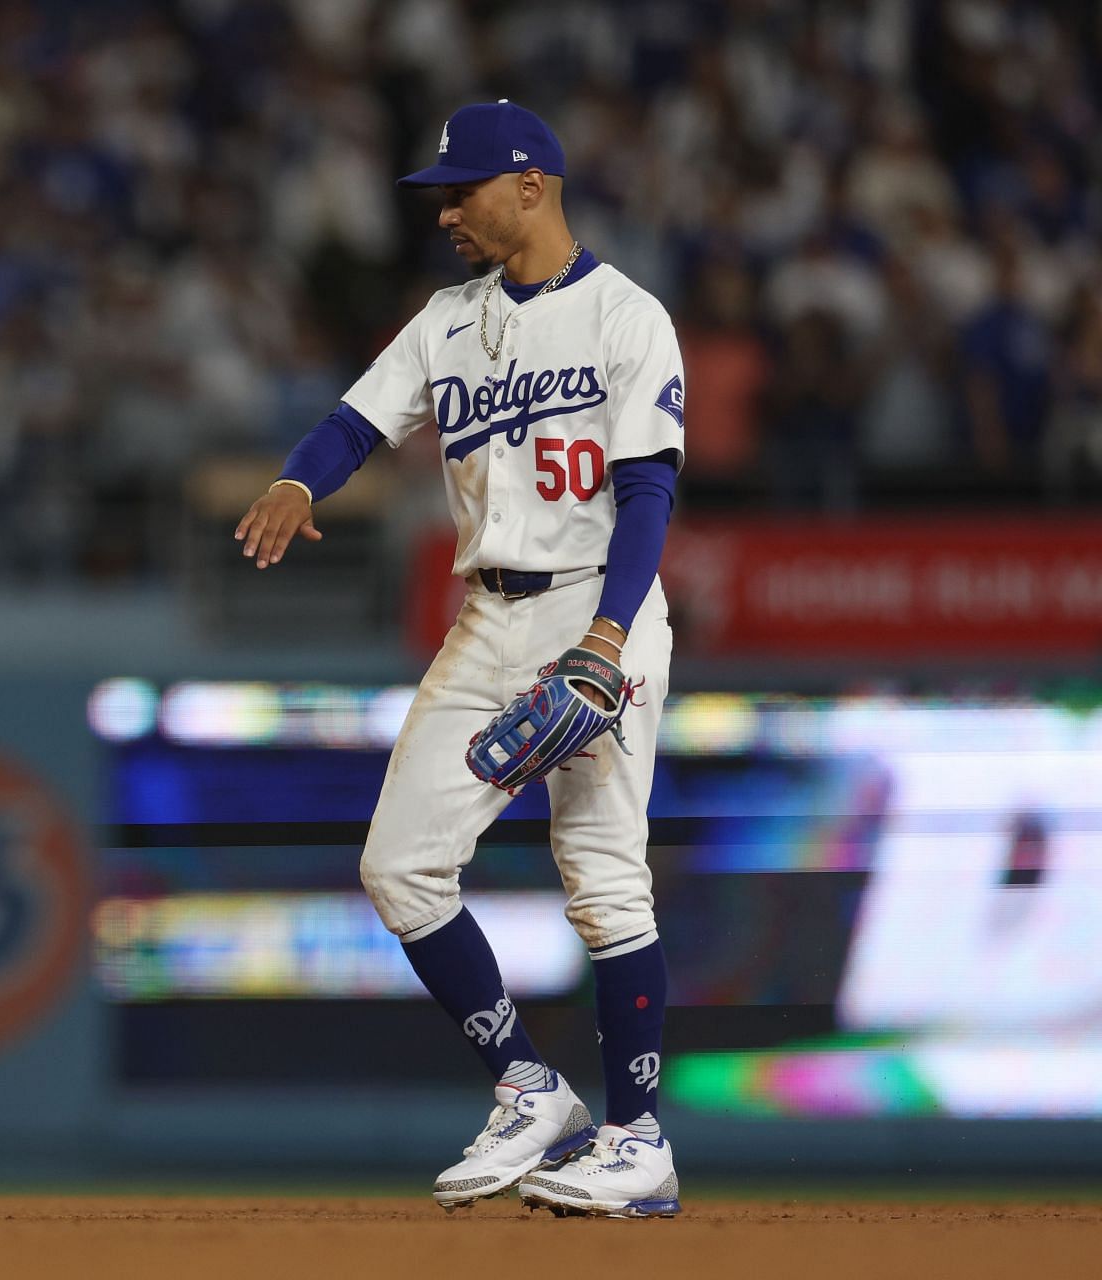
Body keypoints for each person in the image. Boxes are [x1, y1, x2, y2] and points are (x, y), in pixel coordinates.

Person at [235, 101, 684, 1219]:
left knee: (604, 873)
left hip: (596, 604)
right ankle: (529, 1086)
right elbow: (352, 423)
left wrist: (608, 640)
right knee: (397, 864)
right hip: (486, 616)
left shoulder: (628, 317)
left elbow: (648, 496)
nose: (445, 209)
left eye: (463, 188)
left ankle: (638, 1138)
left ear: (532, 185)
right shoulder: (447, 321)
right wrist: (299, 479)